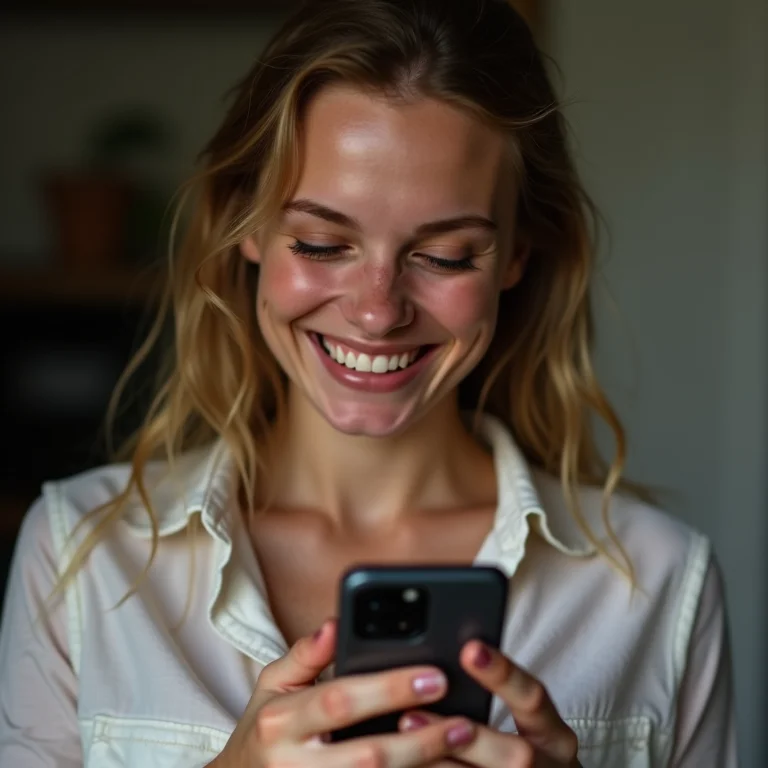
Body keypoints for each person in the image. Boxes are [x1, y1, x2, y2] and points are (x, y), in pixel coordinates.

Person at [0, 0, 737, 765]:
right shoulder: (81, 555)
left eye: (447, 255)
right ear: (245, 223)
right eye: (322, 243)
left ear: (518, 254)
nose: (377, 312)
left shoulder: (656, 583)